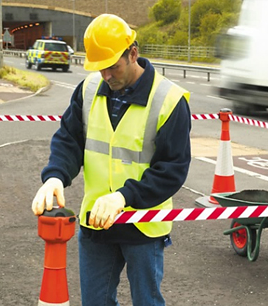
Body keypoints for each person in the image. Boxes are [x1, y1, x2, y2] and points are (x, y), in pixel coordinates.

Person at [31, 14, 191, 306]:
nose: (106, 75)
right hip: (97, 223)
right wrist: (55, 174)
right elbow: (69, 139)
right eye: (100, 68)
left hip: (143, 223)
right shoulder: (89, 90)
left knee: (147, 301)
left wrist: (124, 196)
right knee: (95, 302)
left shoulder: (169, 99)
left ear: (133, 53)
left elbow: (172, 169)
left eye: (113, 67)